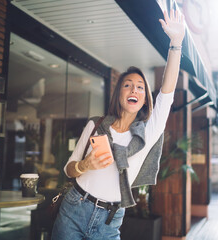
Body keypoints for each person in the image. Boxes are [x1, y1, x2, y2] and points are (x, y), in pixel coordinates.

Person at [51, 9, 186, 240]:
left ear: (144, 99)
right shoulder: (96, 124)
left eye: (140, 87)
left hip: (110, 220)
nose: (134, 89)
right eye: (128, 85)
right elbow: (68, 169)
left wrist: (175, 44)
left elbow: (167, 93)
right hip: (74, 207)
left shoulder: (148, 133)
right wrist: (85, 164)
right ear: (119, 93)